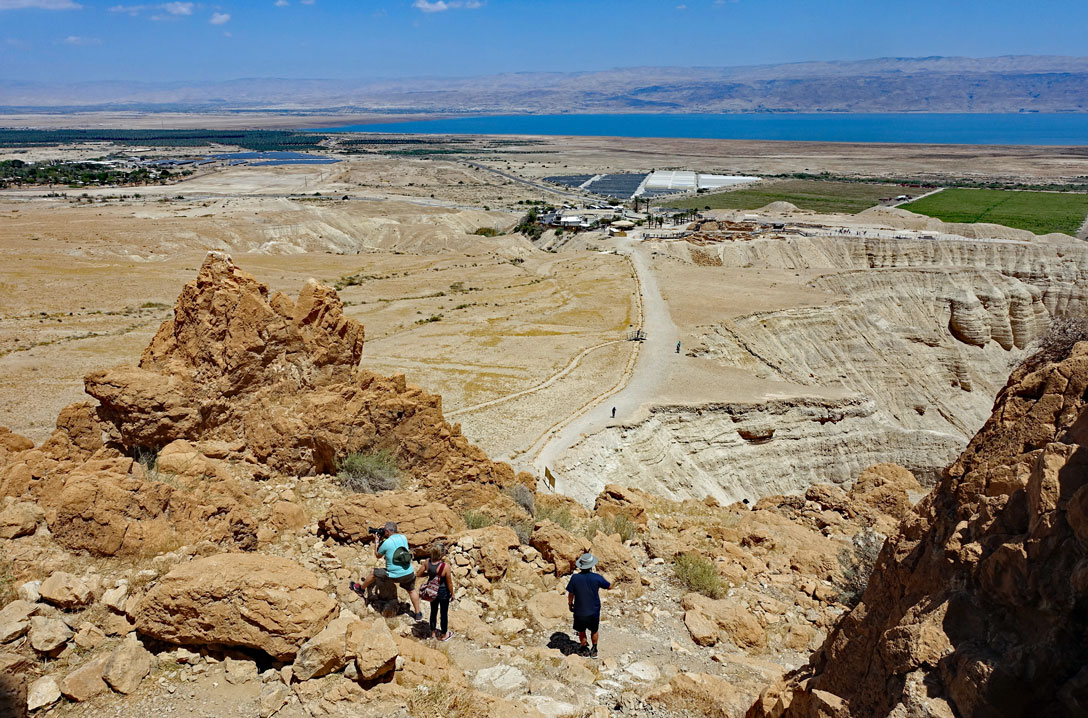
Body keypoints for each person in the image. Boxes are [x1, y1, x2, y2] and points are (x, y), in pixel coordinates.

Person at [350, 521, 423, 621]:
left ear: (388, 531)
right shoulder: (403, 537)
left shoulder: (387, 543)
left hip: (394, 575)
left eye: (384, 530)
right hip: (408, 572)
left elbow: (378, 555)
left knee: (373, 573)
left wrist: (376, 542)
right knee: (411, 590)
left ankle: (361, 589)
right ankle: (418, 614)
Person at [566, 552, 611, 658]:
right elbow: (609, 586)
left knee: (581, 630)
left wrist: (570, 604)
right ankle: (594, 649)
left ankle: (583, 647)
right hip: (593, 610)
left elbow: (571, 594)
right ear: (591, 566)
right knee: (594, 630)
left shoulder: (575, 578)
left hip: (579, 610)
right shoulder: (596, 577)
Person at [417, 542, 455, 641]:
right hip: (443, 591)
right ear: (441, 554)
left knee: (433, 611)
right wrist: (452, 593)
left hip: (431, 591)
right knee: (443, 613)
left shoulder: (427, 562)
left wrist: (429, 575)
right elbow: (449, 583)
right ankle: (443, 635)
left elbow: (418, 573)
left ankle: (433, 633)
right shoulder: (445, 566)